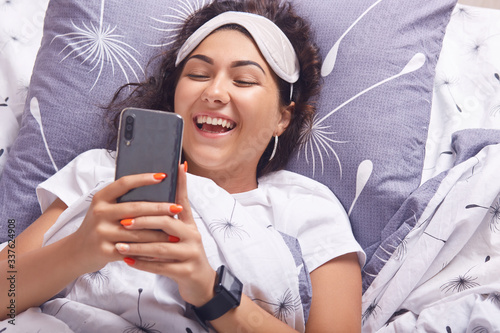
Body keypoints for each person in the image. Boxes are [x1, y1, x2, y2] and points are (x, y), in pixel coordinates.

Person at [0, 0, 365, 331]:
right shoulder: (100, 172)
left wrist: (209, 289)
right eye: (198, 74)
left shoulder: (310, 211)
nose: (214, 92)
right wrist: (80, 249)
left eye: (244, 80)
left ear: (282, 119)